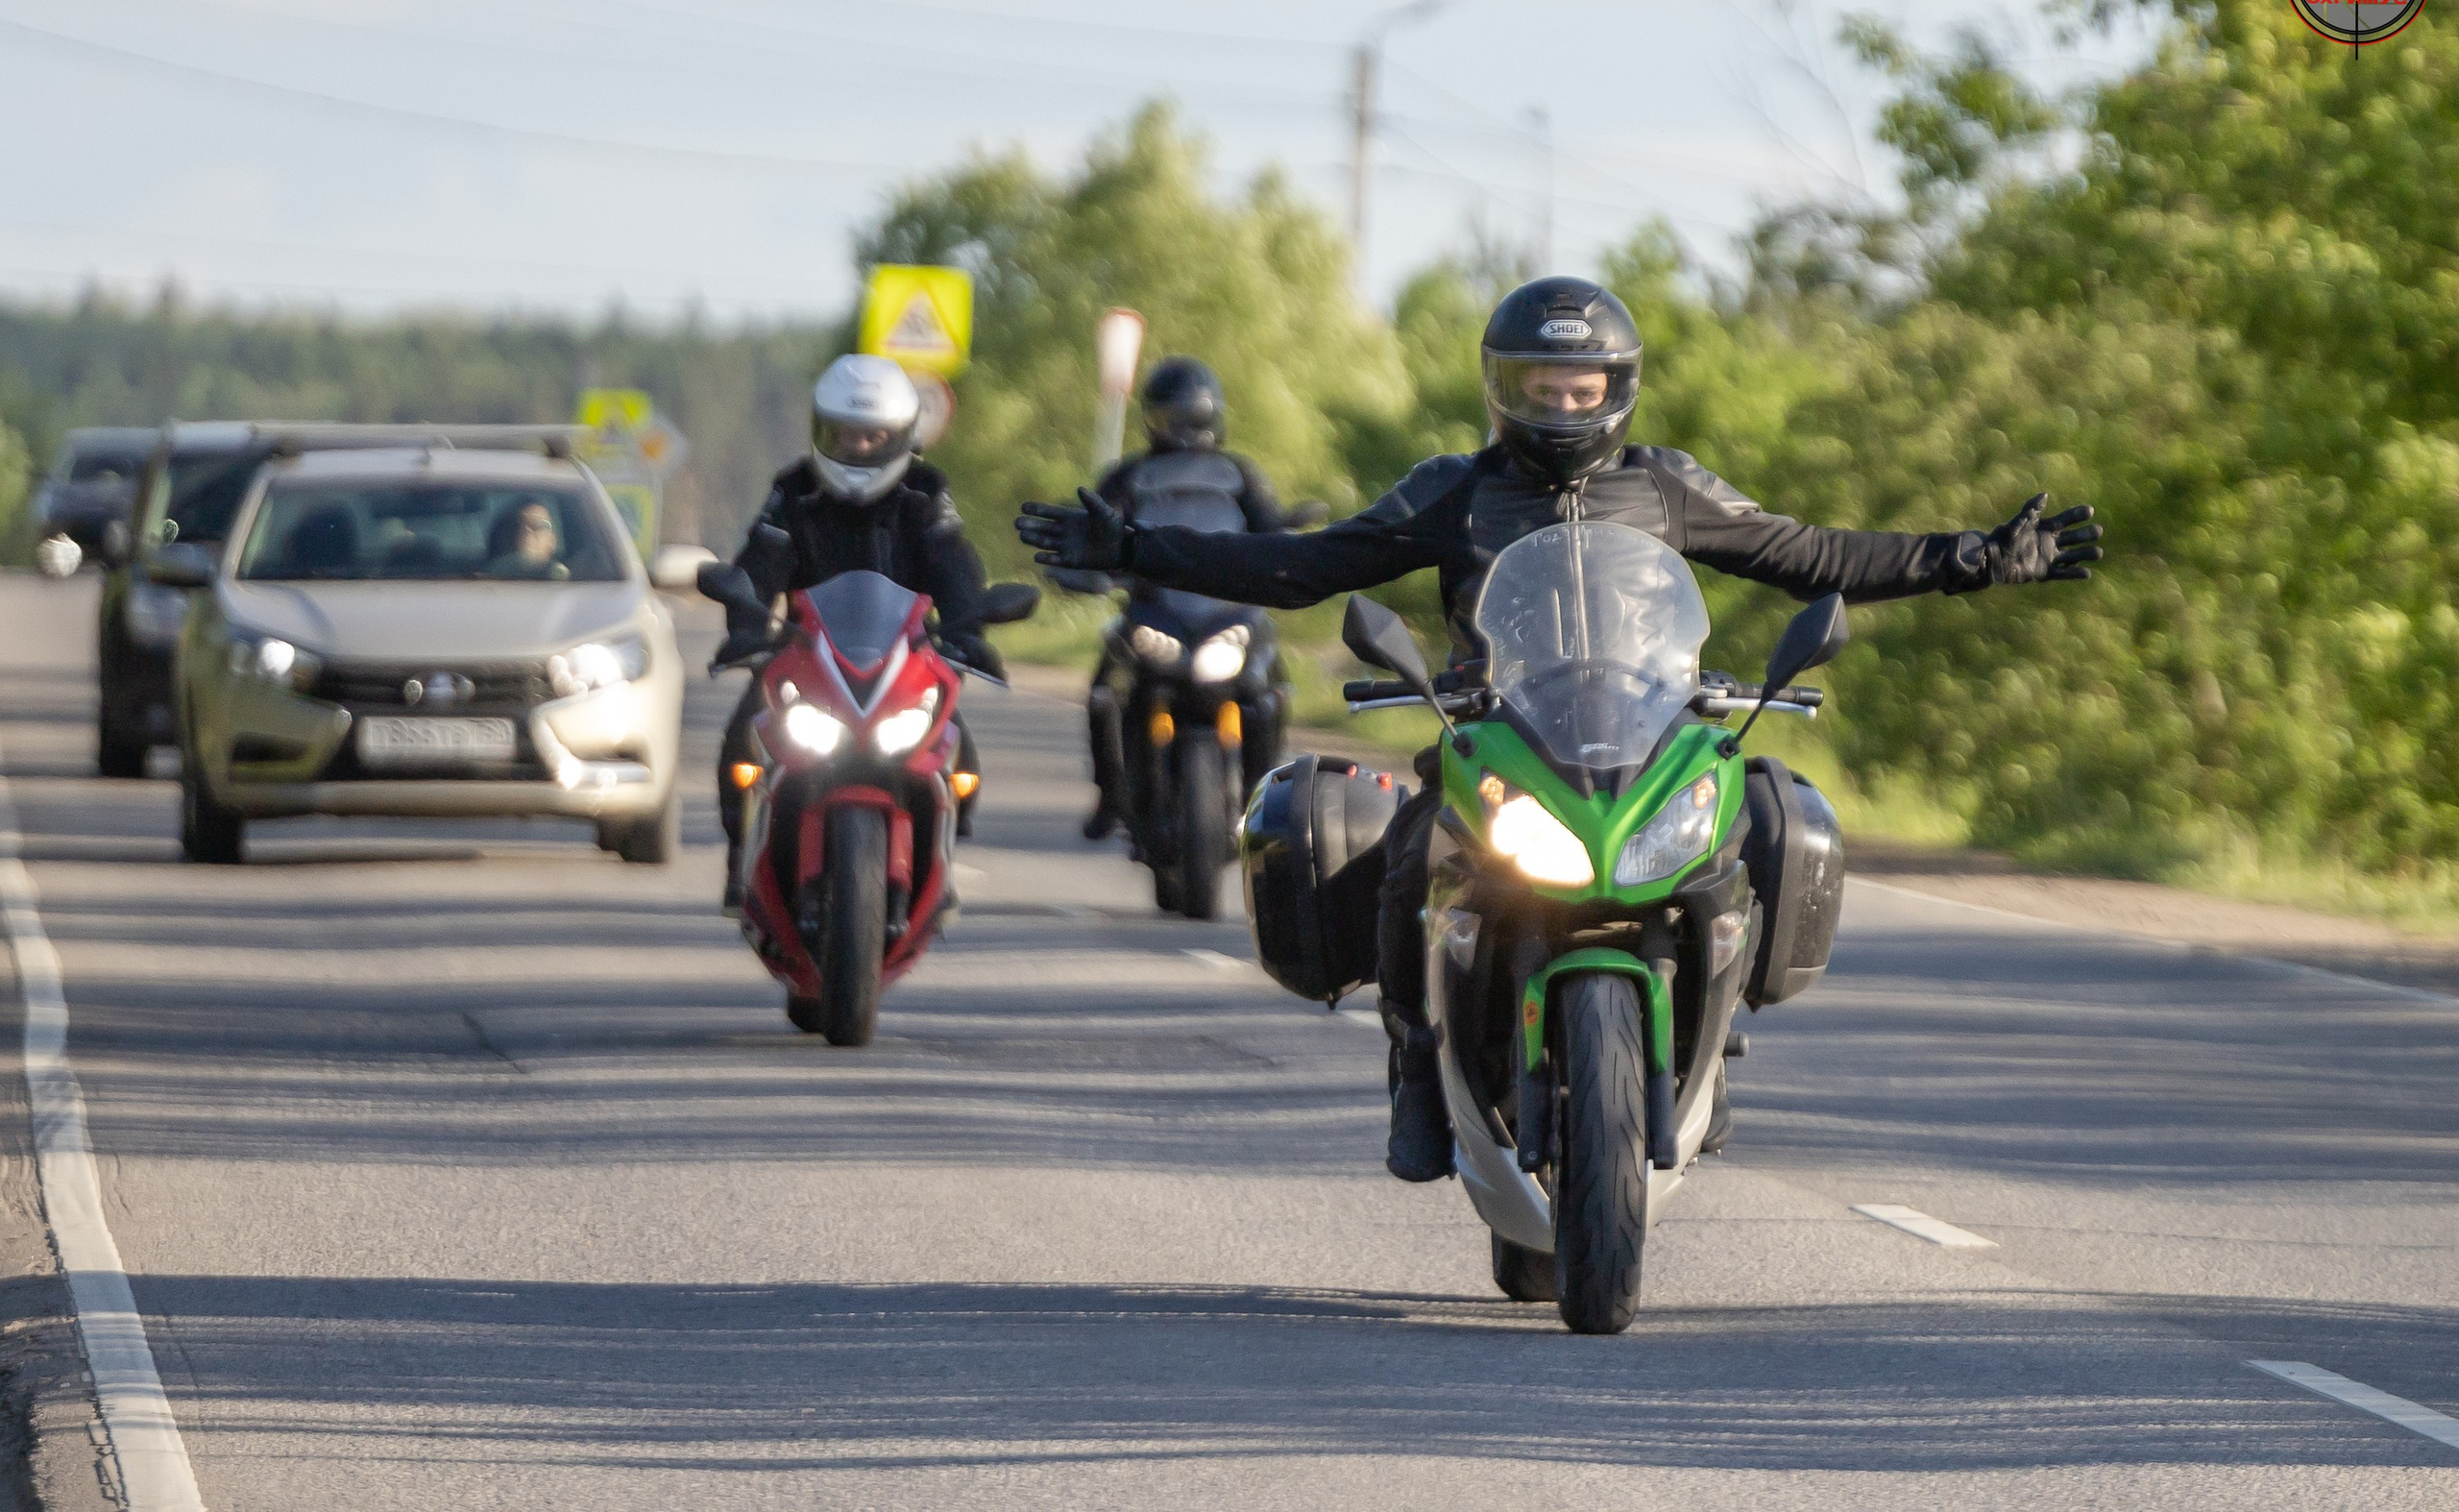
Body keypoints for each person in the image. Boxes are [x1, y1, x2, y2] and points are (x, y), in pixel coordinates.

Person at [1018, 276, 2103, 1182]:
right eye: (1539, 384)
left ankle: (1713, 1050)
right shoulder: (1454, 492)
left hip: (1645, 730)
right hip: (1502, 730)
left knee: (1741, 833)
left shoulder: (1667, 489)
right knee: (1406, 854)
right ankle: (1412, 1067)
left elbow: (1810, 554)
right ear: (1502, 389)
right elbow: (1301, 566)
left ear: (1616, 389)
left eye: (1580, 383)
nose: (1560, 400)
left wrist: (1977, 558)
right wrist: (1135, 548)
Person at [716, 354, 996, 912]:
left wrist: (969, 627)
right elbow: (761, 560)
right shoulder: (793, 489)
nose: (860, 448)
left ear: (900, 437)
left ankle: (941, 863)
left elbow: (952, 563)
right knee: (740, 746)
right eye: (846, 435)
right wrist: (748, 624)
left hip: (905, 658)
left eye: (874, 436)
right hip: (805, 656)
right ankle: (740, 858)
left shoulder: (924, 492)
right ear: (823, 430)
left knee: (961, 759)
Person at [1066, 356, 1296, 839]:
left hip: (1228, 612)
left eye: (1197, 417)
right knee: (1106, 692)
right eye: (1178, 417)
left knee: (1272, 691)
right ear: (1154, 418)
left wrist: (1288, 552)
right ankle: (1111, 795)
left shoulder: (1240, 474)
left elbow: (1269, 529)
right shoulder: (1127, 476)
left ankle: (1266, 802)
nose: (1189, 428)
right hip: (1155, 612)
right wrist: (1088, 570)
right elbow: (1094, 534)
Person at [484, 499, 568, 579]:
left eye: (540, 525)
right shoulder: (479, 583)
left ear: (552, 540)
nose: (527, 532)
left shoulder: (570, 587)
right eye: (516, 526)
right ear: (501, 538)